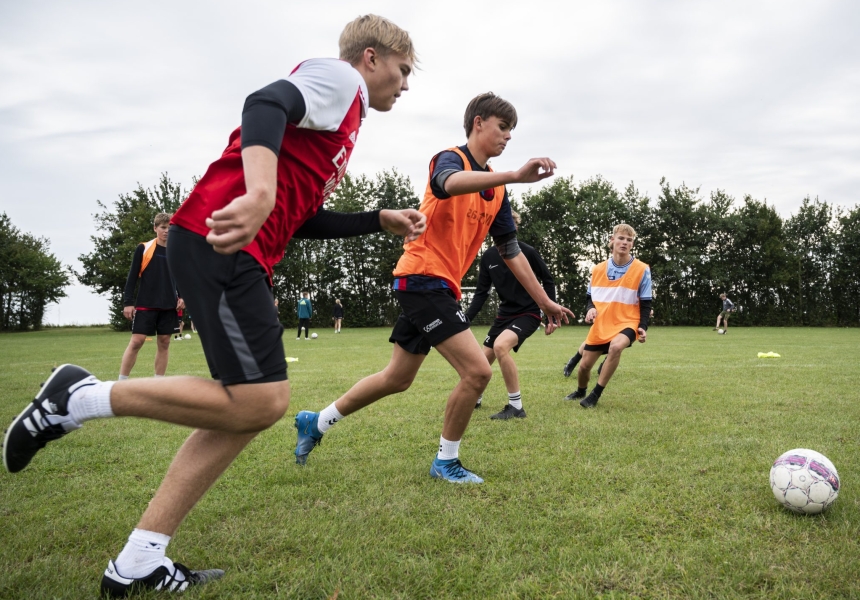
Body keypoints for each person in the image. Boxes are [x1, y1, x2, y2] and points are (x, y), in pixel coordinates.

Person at [3, 15, 424, 596]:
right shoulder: (341, 80)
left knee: (244, 408)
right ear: (371, 58)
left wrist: (376, 219)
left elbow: (300, 217)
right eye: (403, 70)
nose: (406, 85)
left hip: (231, 250)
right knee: (260, 400)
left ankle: (138, 560)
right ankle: (76, 398)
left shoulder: (341, 115)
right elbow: (264, 102)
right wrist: (260, 191)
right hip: (219, 244)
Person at [294, 92, 573, 484]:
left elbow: (510, 250)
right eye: (503, 127)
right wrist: (512, 174)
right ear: (478, 123)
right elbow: (447, 185)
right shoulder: (449, 159)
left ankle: (316, 422)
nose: (508, 136)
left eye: (512, 130)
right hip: (422, 278)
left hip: (438, 286)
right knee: (478, 372)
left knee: (397, 378)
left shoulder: (497, 192)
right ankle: (446, 461)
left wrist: (545, 302)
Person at [464, 210, 560, 419]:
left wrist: (550, 315)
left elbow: (548, 280)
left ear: (514, 227)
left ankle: (516, 407)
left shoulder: (528, 252)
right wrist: (465, 319)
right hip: (504, 315)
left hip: (528, 314)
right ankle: (476, 397)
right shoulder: (488, 257)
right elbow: (481, 293)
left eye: (507, 224)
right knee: (480, 362)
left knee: (500, 347)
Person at [564, 224, 652, 408]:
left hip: (628, 321)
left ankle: (595, 395)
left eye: (629, 240)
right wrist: (590, 308)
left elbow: (646, 302)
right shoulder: (597, 269)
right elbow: (589, 297)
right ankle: (581, 391)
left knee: (616, 347)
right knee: (584, 367)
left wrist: (643, 326)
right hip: (602, 323)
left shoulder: (642, 269)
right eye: (621, 238)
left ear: (632, 244)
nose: (625, 242)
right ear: (612, 240)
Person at [119, 213, 184, 378]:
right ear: (155, 228)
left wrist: (182, 296)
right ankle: (121, 382)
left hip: (169, 304)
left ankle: (158, 384)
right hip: (145, 303)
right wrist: (128, 302)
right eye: (163, 227)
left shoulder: (177, 251)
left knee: (165, 342)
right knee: (136, 342)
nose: (167, 231)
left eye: (170, 228)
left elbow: (181, 277)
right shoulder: (143, 248)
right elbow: (132, 277)